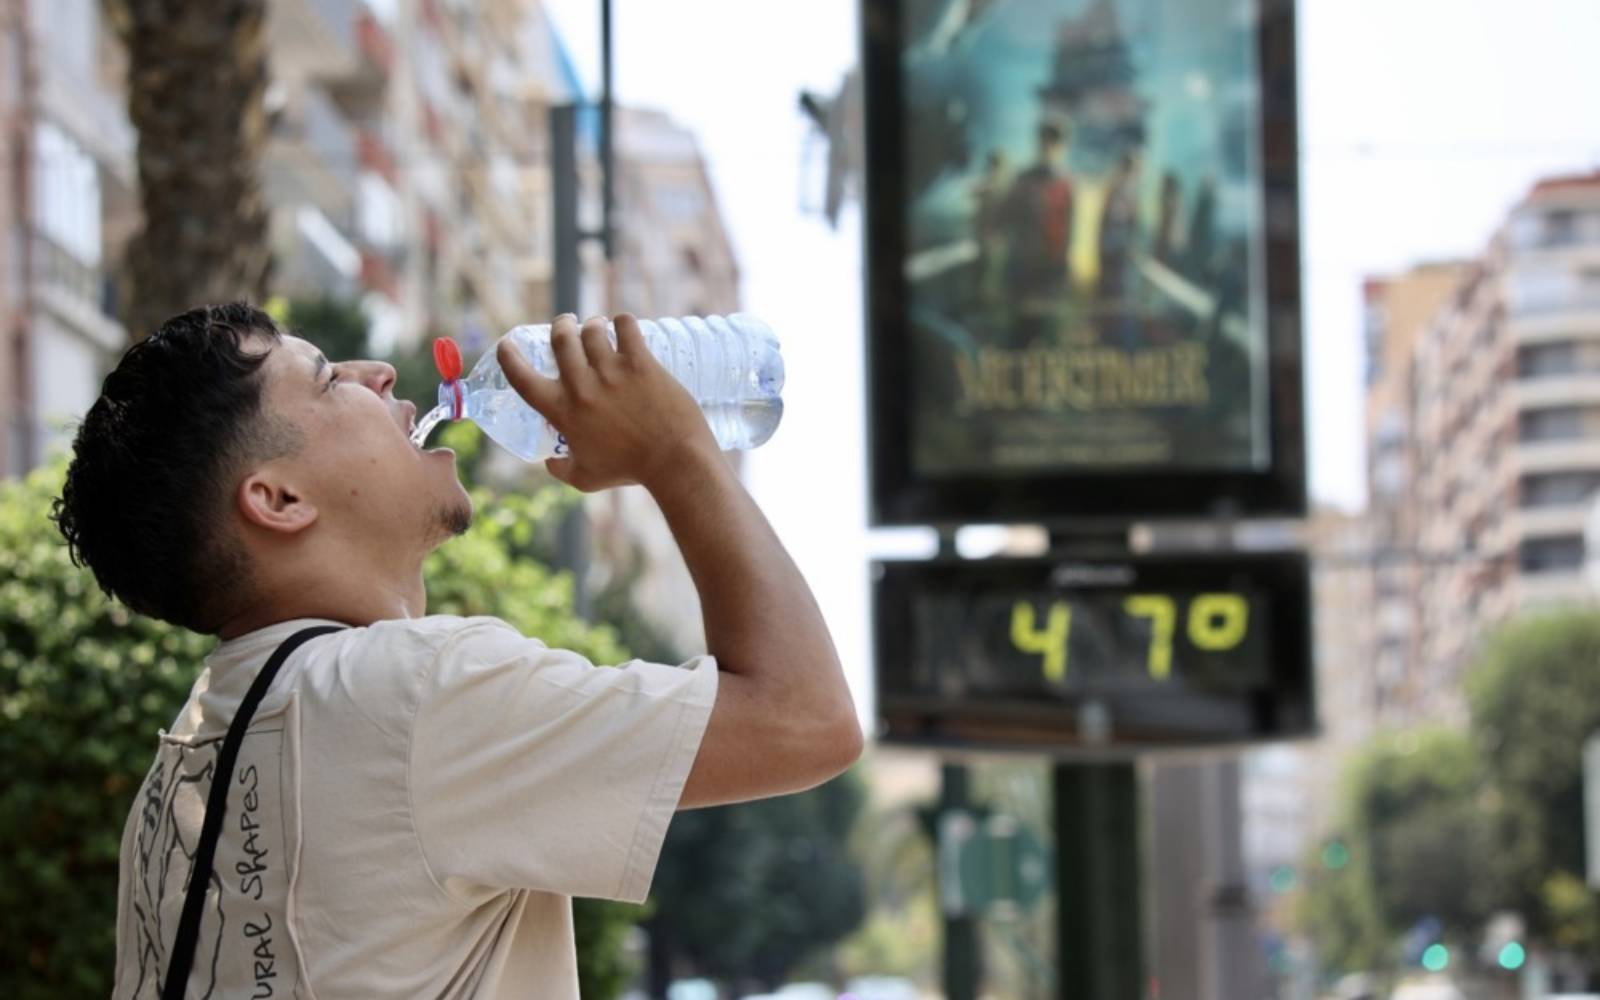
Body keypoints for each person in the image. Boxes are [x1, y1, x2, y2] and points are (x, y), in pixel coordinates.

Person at [52, 303, 861, 999]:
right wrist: (676, 453)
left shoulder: (181, 765)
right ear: (279, 499)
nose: (378, 373)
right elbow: (806, 720)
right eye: (328, 380)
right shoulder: (412, 696)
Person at [999, 119, 1075, 344]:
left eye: (1055, 142)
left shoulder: (1066, 183)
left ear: (1062, 147)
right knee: (1020, 331)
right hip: (1024, 268)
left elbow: (1068, 230)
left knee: (1047, 332)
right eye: (1045, 141)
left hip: (1052, 270)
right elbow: (1005, 217)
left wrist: (1064, 265)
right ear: (1039, 143)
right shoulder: (1023, 180)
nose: (1049, 147)